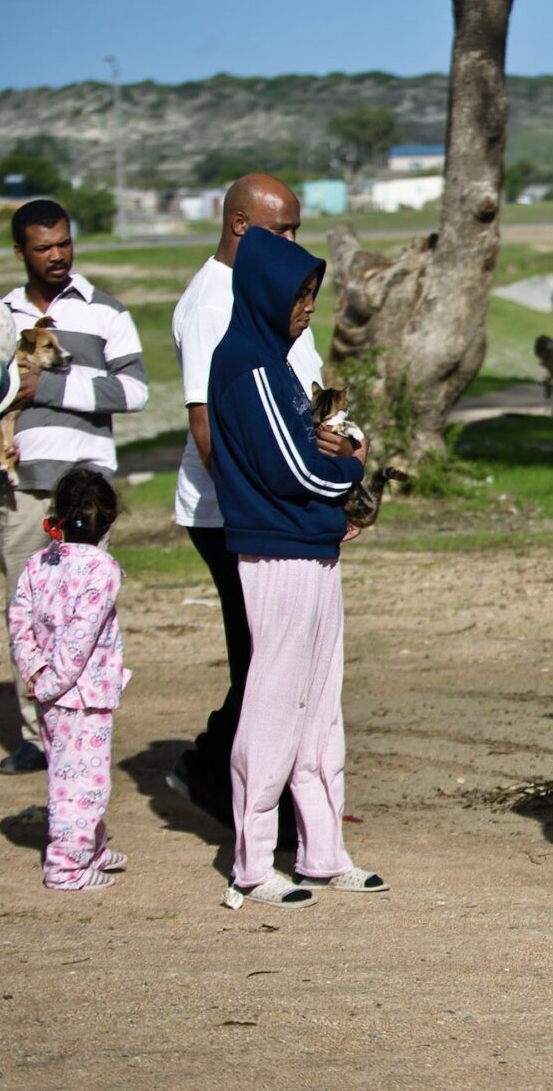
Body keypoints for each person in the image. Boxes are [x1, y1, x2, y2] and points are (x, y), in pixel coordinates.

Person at [208, 227, 382, 909]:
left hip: (312, 547)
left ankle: (323, 850)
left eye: (313, 294)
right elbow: (298, 466)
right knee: (275, 705)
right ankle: (253, 863)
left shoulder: (275, 362)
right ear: (264, 293)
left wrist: (335, 460)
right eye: (298, 295)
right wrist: (350, 465)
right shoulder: (247, 361)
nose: (307, 307)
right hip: (277, 552)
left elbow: (312, 448)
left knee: (320, 707)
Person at [165, 175, 319, 842]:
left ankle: (243, 778)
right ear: (238, 228)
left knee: (282, 654)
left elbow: (310, 386)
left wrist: (336, 464)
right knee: (264, 661)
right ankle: (229, 785)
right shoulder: (209, 304)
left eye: (296, 228)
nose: (293, 242)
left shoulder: (273, 284)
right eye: (280, 231)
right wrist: (268, 504)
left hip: (285, 501)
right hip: (233, 513)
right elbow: (209, 428)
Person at [0, 200, 148, 776]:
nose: (57, 255)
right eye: (42, 247)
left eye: (63, 242)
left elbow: (135, 392)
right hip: (21, 487)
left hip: (84, 489)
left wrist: (50, 386)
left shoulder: (106, 311)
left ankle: (84, 723)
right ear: (19, 253)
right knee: (26, 612)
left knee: (86, 612)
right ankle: (37, 735)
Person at [8, 467, 128, 889]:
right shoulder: (102, 569)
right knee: (83, 786)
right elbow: (81, 637)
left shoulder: (39, 563)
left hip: (51, 692)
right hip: (81, 695)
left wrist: (36, 671)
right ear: (109, 521)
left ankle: (90, 848)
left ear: (57, 515)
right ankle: (66, 866)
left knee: (71, 773)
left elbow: (18, 619)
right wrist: (53, 680)